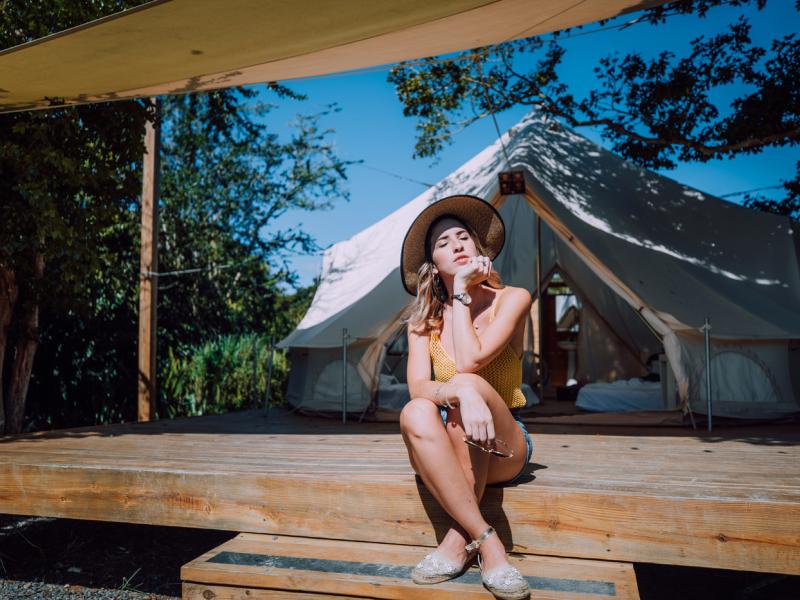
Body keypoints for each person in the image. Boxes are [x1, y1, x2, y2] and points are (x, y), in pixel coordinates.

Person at [398, 194, 533, 600]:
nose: (456, 245)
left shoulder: (513, 298)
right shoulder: (422, 322)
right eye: (443, 243)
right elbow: (419, 387)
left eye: (463, 237)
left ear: (479, 249)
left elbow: (471, 361)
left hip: (506, 447)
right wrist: (457, 391)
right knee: (416, 412)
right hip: (451, 437)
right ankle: (489, 543)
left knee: (469, 386)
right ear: (433, 265)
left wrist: (461, 293)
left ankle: (457, 544)